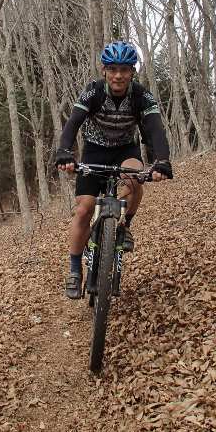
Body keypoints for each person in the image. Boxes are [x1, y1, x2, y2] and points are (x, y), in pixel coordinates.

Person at [55, 40, 173, 299]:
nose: (118, 75)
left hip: (125, 150)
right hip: (94, 151)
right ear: (104, 71)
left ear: (132, 72)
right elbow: (73, 123)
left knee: (134, 178)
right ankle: (74, 270)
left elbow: (155, 129)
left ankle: (124, 225)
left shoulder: (141, 96)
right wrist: (64, 151)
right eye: (113, 69)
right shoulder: (93, 92)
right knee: (84, 209)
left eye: (124, 69)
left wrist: (162, 160)